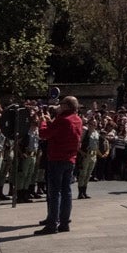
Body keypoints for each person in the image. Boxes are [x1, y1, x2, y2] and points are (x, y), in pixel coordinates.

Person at [37, 95, 83, 235]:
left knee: (54, 192)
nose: (59, 106)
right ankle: (64, 223)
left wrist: (43, 122)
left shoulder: (63, 120)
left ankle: (52, 224)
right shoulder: (77, 119)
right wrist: (52, 121)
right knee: (66, 192)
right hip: (70, 159)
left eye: (61, 103)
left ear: (67, 106)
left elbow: (44, 134)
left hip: (57, 158)